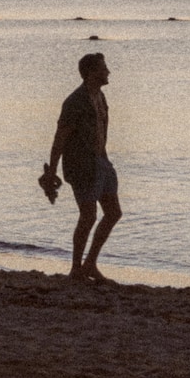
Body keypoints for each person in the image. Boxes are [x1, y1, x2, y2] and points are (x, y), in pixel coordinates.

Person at [43, 52, 121, 283]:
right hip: (81, 166)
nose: (108, 72)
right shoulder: (75, 102)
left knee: (113, 213)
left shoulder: (101, 97)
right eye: (103, 68)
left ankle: (90, 264)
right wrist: (52, 171)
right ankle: (76, 268)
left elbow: (101, 131)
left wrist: (104, 159)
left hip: (101, 162)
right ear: (91, 73)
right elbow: (60, 137)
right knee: (88, 216)